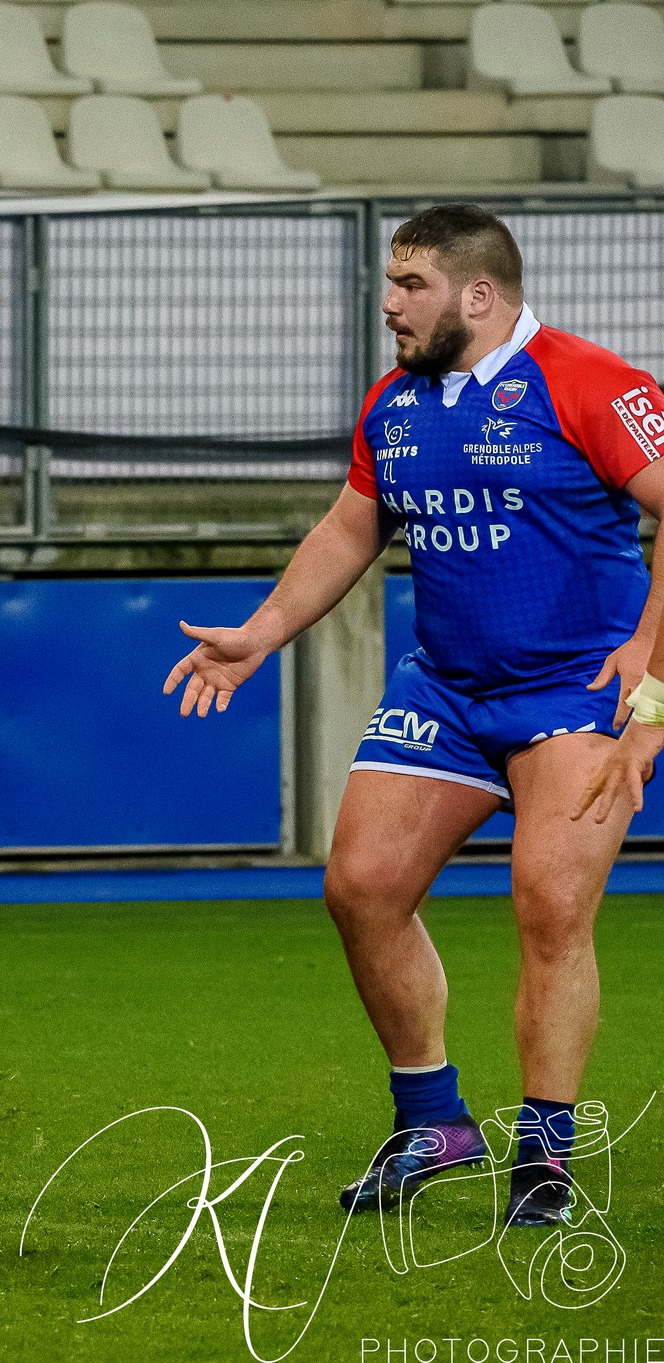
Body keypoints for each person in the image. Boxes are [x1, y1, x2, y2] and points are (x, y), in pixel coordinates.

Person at [164, 204, 664, 1228]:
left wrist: (649, 682)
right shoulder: (393, 402)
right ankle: (432, 1123)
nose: (386, 304)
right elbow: (351, 526)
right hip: (442, 686)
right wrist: (259, 633)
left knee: (547, 904)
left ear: (477, 296)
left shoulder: (589, 384)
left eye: (409, 286)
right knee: (359, 886)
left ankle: (544, 1156)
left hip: (576, 692)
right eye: (388, 284)